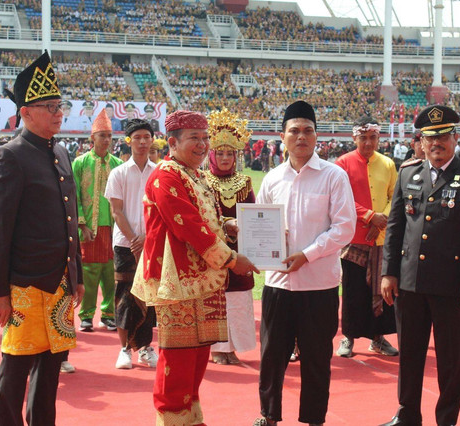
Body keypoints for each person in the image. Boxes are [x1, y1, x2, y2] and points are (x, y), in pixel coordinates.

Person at [131, 110, 258, 425]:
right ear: (173, 142)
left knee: (198, 357)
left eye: (205, 138)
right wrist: (231, 259)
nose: (202, 145)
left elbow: (204, 220)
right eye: (194, 138)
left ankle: (189, 418)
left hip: (204, 280)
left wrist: (228, 225)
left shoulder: (194, 174)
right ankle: (172, 419)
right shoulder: (166, 174)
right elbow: (187, 226)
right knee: (178, 360)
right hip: (179, 284)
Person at [380, 105, 460, 426]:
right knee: (410, 356)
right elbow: (395, 228)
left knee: (451, 361)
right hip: (410, 283)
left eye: (443, 137)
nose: (436, 144)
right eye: (429, 138)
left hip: (452, 287)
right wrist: (389, 272)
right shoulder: (408, 173)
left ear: (455, 138)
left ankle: (446, 420)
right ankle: (407, 416)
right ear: (422, 141)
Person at [0, 51, 84, 426]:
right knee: (15, 368)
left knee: (51, 369)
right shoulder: (10, 156)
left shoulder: (60, 151)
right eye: (49, 107)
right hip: (25, 284)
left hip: (59, 282)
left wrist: (74, 274)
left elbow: (69, 220)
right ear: (26, 112)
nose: (58, 113)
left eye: (60, 105)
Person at [254, 101, 356, 426]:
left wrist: (307, 254)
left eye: (307, 131)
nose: (301, 137)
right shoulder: (272, 179)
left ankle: (314, 419)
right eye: (294, 131)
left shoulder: (333, 177)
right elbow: (260, 223)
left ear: (317, 137)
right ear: (282, 137)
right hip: (278, 284)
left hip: (319, 285)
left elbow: (344, 227)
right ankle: (269, 416)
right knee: (272, 356)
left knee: (316, 359)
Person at [335, 116, 398, 359]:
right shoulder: (343, 163)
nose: (368, 143)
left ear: (379, 138)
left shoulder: (388, 164)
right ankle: (348, 337)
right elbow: (340, 199)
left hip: (382, 238)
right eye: (363, 138)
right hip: (354, 238)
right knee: (353, 290)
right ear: (354, 138)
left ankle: (378, 338)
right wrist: (370, 216)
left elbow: (396, 197)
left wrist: (382, 218)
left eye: (372, 137)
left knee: (382, 292)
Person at [104, 118, 159, 369]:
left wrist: (147, 237)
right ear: (128, 141)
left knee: (149, 295)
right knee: (124, 296)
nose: (142, 142)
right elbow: (116, 211)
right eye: (137, 137)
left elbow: (161, 211)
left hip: (153, 242)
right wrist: (134, 239)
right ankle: (124, 349)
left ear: (152, 140)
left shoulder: (159, 172)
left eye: (146, 137)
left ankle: (146, 347)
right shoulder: (118, 173)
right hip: (124, 244)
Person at [205, 108, 257, 365]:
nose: (225, 158)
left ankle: (233, 346)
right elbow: (202, 217)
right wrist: (227, 225)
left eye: (230, 153)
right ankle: (216, 348)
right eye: (220, 153)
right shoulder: (202, 180)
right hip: (213, 250)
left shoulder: (245, 182)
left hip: (241, 249)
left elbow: (255, 213)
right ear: (211, 154)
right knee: (216, 297)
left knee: (236, 299)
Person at [72, 109, 123, 333]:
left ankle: (109, 314)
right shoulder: (80, 163)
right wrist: (82, 224)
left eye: (109, 136)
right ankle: (86, 315)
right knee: (90, 274)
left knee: (112, 274)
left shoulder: (118, 164)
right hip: (89, 229)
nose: (106, 140)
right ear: (92, 138)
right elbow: (73, 195)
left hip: (113, 228)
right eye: (102, 135)